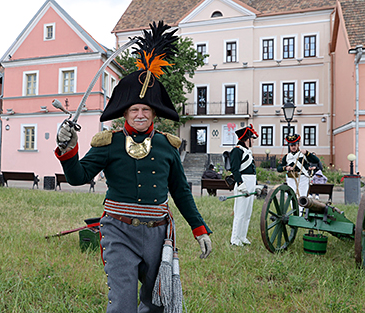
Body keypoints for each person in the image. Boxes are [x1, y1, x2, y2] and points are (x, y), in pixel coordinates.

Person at [55, 21, 212, 313]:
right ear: (125, 112)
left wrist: (198, 228)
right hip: (118, 231)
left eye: (145, 110)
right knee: (123, 304)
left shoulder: (167, 145)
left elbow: (180, 191)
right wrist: (68, 150)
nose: (140, 115)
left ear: (154, 112)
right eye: (134, 110)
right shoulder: (109, 142)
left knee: (155, 304)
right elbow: (78, 177)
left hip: (158, 234)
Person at [229, 124, 258, 246]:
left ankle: (242, 237)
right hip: (243, 183)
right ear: (247, 139)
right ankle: (235, 239)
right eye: (252, 138)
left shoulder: (247, 151)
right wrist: (240, 184)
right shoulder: (237, 150)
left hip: (250, 183)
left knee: (247, 213)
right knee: (240, 213)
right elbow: (234, 169)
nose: (253, 141)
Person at [277, 134, 320, 215]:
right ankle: (295, 213)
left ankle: (299, 214)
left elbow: (316, 160)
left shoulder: (303, 154)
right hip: (291, 178)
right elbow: (279, 168)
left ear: (298, 145)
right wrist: (286, 168)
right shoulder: (287, 156)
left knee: (302, 196)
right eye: (291, 145)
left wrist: (307, 153)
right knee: (292, 196)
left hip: (303, 178)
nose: (293, 147)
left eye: (295, 145)